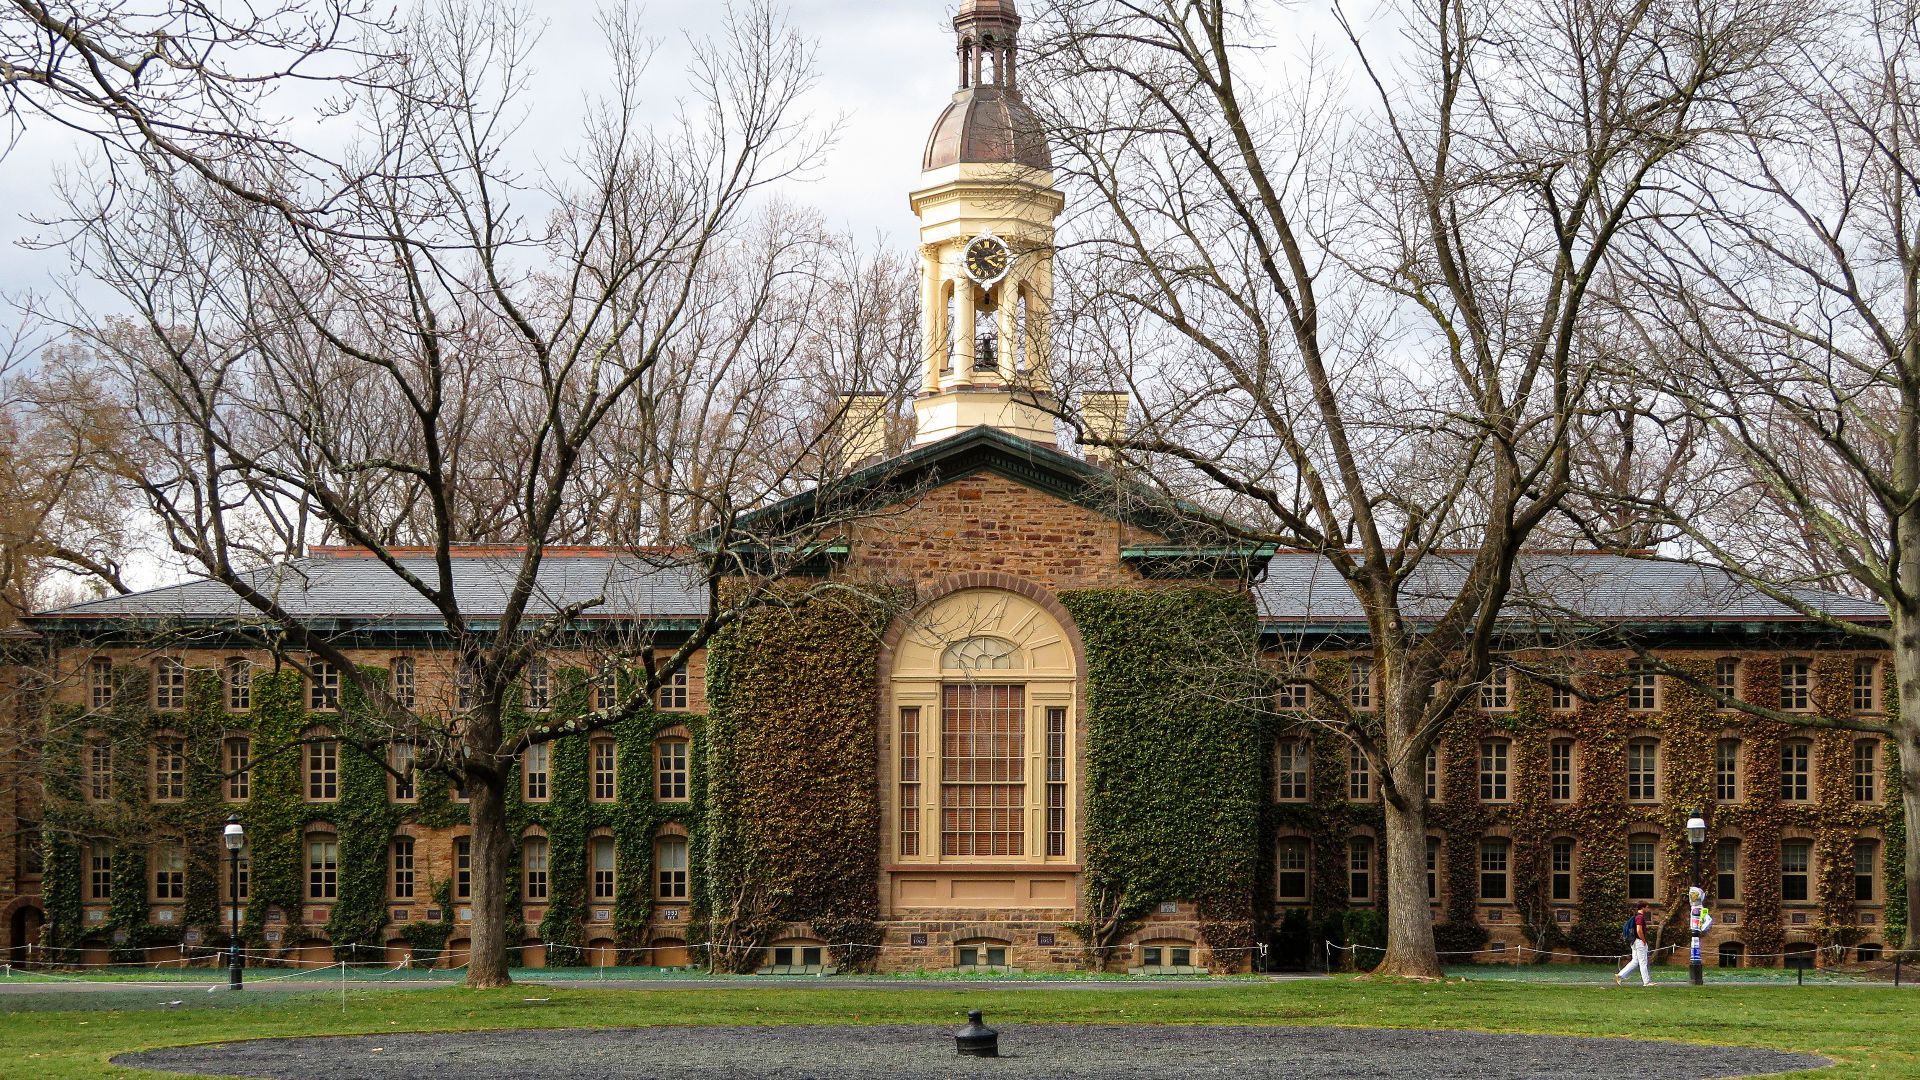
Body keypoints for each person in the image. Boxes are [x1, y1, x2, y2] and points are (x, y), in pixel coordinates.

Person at [1616, 902, 1653, 986]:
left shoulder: (1636, 916)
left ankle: (1620, 975)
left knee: (1635, 961)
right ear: (1643, 908)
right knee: (1643, 962)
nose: (1648, 909)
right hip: (1639, 942)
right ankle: (1646, 982)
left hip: (1634, 942)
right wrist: (1643, 940)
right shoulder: (1640, 917)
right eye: (1647, 907)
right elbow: (1639, 930)